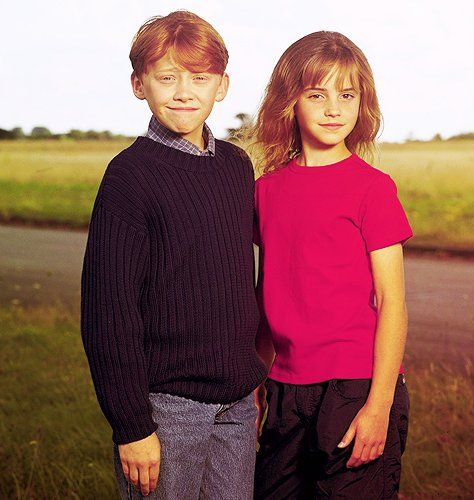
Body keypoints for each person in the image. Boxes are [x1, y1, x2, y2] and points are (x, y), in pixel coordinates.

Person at [81, 11, 267, 499]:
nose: (184, 92)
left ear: (221, 86)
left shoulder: (235, 165)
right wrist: (131, 425)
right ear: (139, 84)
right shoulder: (130, 176)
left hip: (238, 402)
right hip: (167, 408)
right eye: (167, 78)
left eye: (200, 78)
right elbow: (108, 312)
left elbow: (234, 279)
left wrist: (251, 375)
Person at [250, 31, 413, 499]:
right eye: (316, 95)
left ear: (362, 103)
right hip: (284, 386)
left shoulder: (372, 188)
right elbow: (269, 293)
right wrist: (259, 381)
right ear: (290, 102)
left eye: (347, 95)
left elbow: (392, 302)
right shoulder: (266, 191)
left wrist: (379, 406)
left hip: (357, 384)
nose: (333, 109)